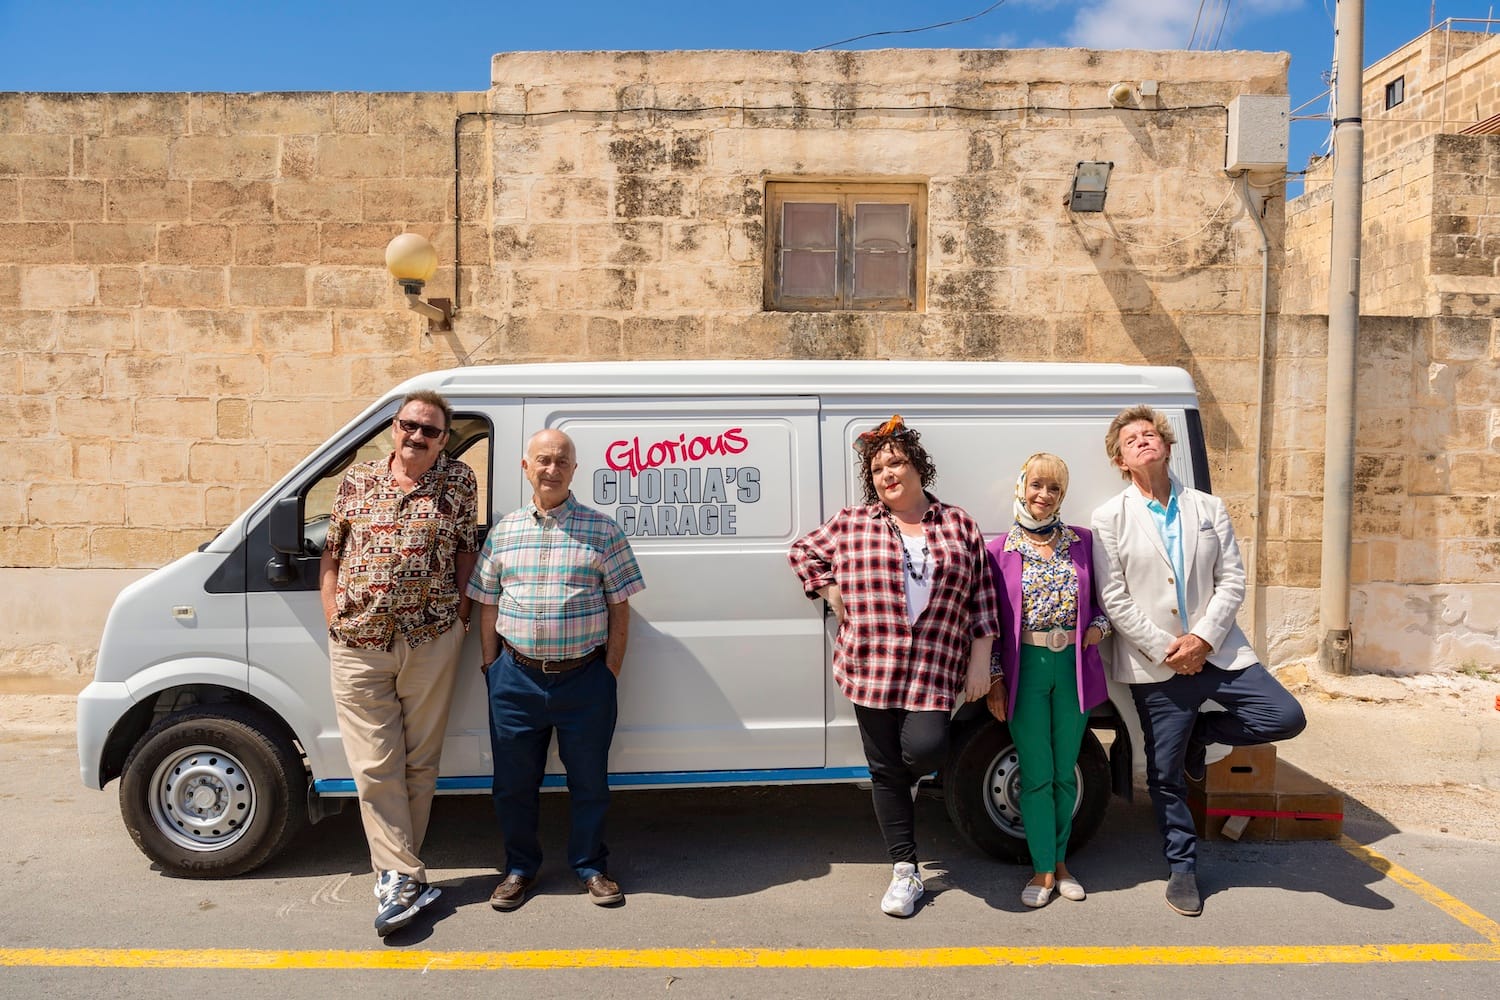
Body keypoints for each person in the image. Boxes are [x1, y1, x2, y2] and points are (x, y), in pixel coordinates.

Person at [1090, 405, 1306, 917]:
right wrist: (1168, 649)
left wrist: (1203, 640)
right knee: (1163, 774)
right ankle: (1182, 867)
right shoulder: (1109, 517)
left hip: (1219, 653)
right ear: (1121, 460)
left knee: (1285, 716)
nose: (1142, 441)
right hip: (1158, 664)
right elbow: (1113, 597)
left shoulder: (1208, 507)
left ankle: (1202, 735)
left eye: (1150, 434)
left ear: (1167, 446)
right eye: (1131, 440)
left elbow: (1232, 580)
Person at [789, 415, 998, 918]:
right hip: (871, 665)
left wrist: (981, 663)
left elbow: (983, 597)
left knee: (925, 750)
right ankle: (906, 871)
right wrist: (829, 590)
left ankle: (908, 786)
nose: (887, 474)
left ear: (918, 467)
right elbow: (802, 551)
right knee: (885, 771)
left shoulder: (959, 524)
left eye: (896, 463)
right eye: (878, 469)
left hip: (935, 668)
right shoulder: (852, 523)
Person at [321, 390, 479, 937]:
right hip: (358, 640)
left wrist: (460, 618)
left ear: (443, 439)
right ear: (394, 427)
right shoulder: (357, 480)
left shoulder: (459, 482)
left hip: (431, 638)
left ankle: (399, 877)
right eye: (410, 425)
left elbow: (466, 551)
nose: (417, 436)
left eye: (430, 430)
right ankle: (401, 876)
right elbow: (332, 552)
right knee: (373, 765)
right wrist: (332, 614)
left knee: (419, 762)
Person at [467, 428, 645, 911]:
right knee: (512, 785)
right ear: (526, 467)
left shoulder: (602, 530)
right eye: (543, 460)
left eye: (562, 461)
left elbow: (620, 607)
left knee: (589, 783)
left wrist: (609, 671)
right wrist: (491, 667)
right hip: (515, 679)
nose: (552, 469)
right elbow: (487, 602)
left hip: (585, 679)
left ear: (574, 470)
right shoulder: (505, 531)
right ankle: (519, 869)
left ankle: (590, 866)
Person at [985, 453, 1111, 909]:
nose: (1044, 495)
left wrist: (1099, 628)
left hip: (1074, 667)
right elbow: (990, 622)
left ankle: (1061, 864)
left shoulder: (1082, 542)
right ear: (1021, 487)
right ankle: (1041, 870)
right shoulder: (999, 551)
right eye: (1036, 485)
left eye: (1054, 488)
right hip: (1027, 670)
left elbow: (1105, 601)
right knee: (1037, 773)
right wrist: (995, 679)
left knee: (1064, 772)